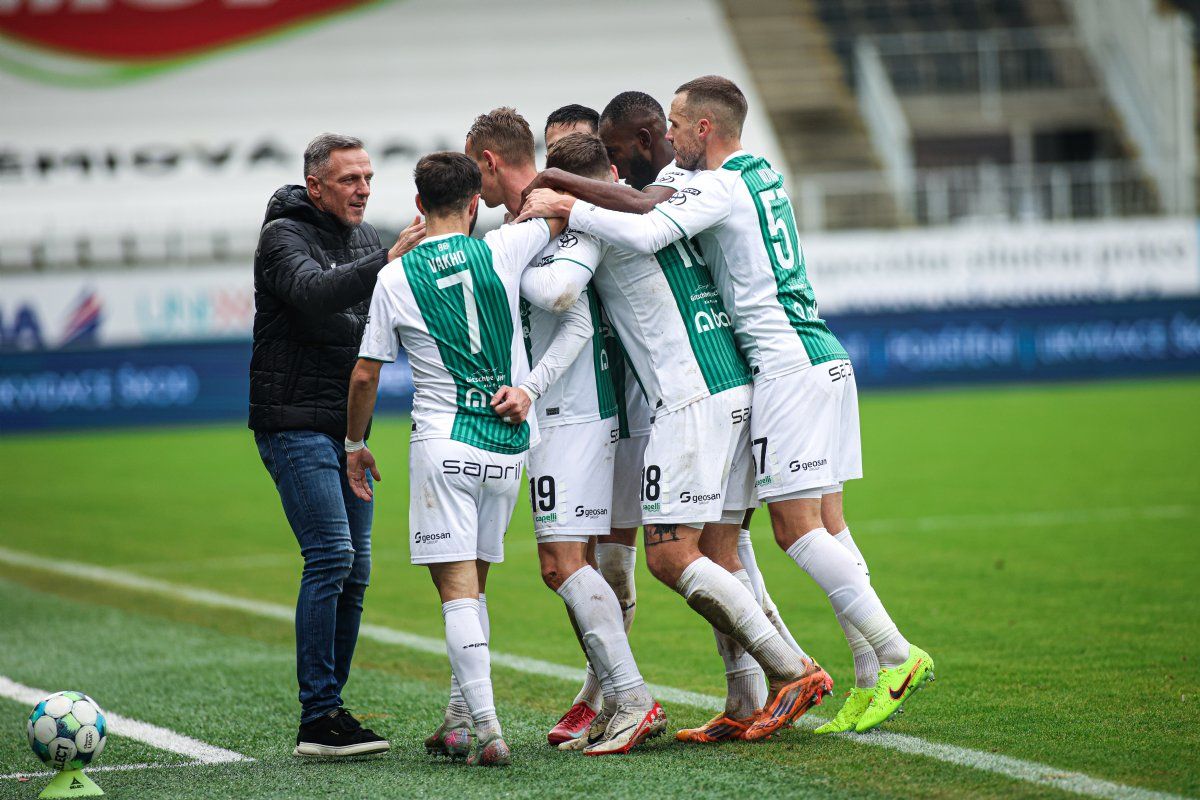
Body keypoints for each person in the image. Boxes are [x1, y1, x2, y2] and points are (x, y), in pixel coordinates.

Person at [519, 76, 934, 736]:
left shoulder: (710, 186)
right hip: (784, 363)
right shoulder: (751, 175)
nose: (675, 134)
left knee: (764, 537)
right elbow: (652, 204)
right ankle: (812, 683)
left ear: (701, 129)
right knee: (774, 534)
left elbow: (638, 233)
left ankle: (854, 661)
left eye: (680, 123)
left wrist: (558, 208)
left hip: (755, 374)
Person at [526, 92, 815, 743]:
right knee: (719, 550)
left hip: (690, 398)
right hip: (731, 385)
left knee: (668, 556)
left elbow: (562, 287)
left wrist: (549, 219)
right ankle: (746, 699)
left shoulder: (614, 213)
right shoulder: (675, 189)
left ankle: (792, 668)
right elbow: (646, 210)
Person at [463, 108, 663, 756]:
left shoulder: (555, 217)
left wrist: (531, 387)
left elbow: (565, 309)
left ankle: (631, 698)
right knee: (565, 566)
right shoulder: (521, 224)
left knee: (563, 564)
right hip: (552, 419)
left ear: (491, 162)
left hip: (575, 417)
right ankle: (613, 698)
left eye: (478, 170)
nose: (477, 187)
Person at [249, 132, 424, 757]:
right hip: (292, 421)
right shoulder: (283, 236)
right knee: (330, 556)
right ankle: (317, 715)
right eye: (350, 180)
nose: (364, 189)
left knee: (356, 570)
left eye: (369, 178)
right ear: (316, 185)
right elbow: (315, 293)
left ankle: (332, 715)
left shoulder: (366, 237)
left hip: (346, 432)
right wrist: (389, 259)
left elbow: (383, 330)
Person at [541, 104, 649, 747]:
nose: (563, 165)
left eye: (573, 151)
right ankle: (604, 691)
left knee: (625, 563)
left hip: (634, 405)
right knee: (583, 564)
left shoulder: (617, 213)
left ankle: (610, 695)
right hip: (582, 410)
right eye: (554, 154)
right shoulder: (538, 221)